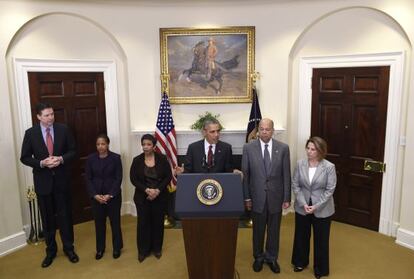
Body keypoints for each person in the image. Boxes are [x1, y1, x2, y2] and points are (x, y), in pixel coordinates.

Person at [20, 103, 78, 268]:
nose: (51, 117)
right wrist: (41, 163)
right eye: (46, 115)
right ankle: (51, 251)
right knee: (47, 219)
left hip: (62, 182)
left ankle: (69, 249)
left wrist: (60, 159)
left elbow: (73, 151)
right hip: (43, 183)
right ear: (38, 116)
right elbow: (24, 157)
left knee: (65, 216)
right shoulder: (30, 134)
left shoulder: (63, 129)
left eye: (52, 114)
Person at [241, 118, 291, 273]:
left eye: (267, 129)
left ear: (272, 130)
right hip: (257, 198)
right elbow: (246, 175)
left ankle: (271, 258)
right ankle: (258, 257)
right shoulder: (248, 148)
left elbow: (286, 175)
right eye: (261, 129)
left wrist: (287, 197)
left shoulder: (283, 148)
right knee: (258, 230)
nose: (264, 132)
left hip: (276, 197)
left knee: (274, 230)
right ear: (258, 130)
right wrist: (247, 197)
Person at [291, 137, 337, 279]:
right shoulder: (300, 164)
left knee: (321, 240)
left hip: (322, 209)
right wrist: (303, 203)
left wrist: (316, 206)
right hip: (302, 206)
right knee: (301, 236)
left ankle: (320, 269)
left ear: (320, 151)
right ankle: (300, 262)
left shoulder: (329, 167)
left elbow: (330, 190)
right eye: (308, 148)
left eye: (313, 149)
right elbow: (295, 184)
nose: (309, 152)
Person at [130, 134, 172, 263]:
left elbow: (168, 176)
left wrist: (157, 190)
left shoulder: (162, 159)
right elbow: (133, 179)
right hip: (142, 197)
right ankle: (143, 251)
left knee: (157, 223)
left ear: (154, 146)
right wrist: (147, 190)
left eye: (148, 144)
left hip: (159, 196)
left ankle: (157, 249)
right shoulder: (136, 160)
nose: (145, 147)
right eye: (143, 144)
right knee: (143, 224)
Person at [85, 134, 123, 260]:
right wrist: (95, 195)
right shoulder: (90, 159)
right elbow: (88, 179)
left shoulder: (116, 158)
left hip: (113, 196)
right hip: (96, 197)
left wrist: (110, 194)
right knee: (99, 224)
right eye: (98, 144)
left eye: (103, 144)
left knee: (115, 223)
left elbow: (118, 178)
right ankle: (100, 249)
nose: (100, 146)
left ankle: (117, 247)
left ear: (108, 144)